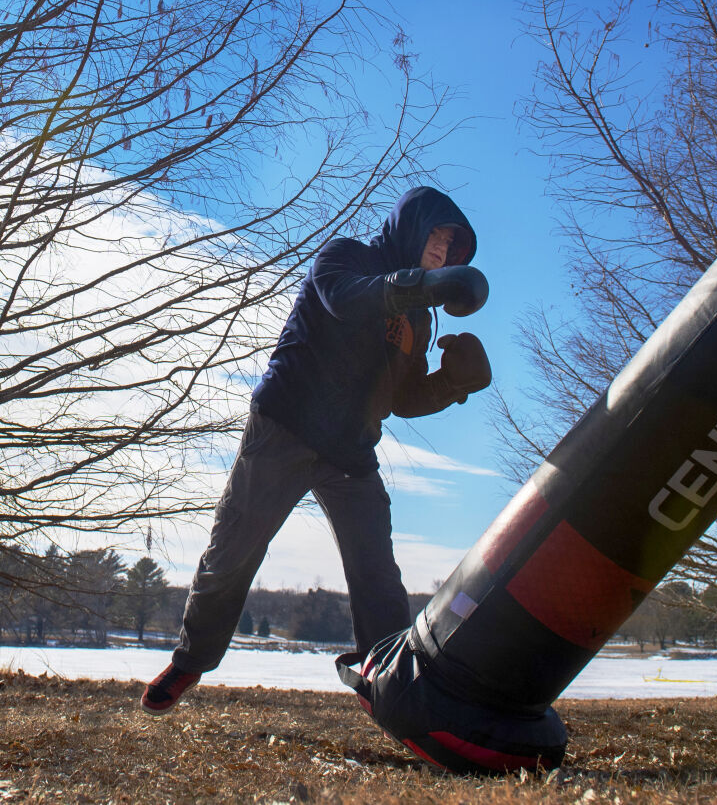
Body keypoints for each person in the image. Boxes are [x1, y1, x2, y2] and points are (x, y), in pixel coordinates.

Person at [140, 186, 491, 715]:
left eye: (451, 244)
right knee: (233, 553)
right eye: (436, 235)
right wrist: (420, 285)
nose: (442, 249)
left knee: (376, 571)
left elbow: (401, 398)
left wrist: (452, 383)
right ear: (410, 228)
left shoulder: (419, 321)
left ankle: (394, 689)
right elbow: (343, 298)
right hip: (286, 426)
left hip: (351, 449)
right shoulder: (348, 255)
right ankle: (191, 661)